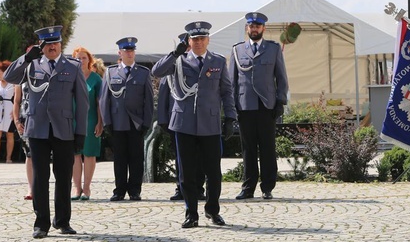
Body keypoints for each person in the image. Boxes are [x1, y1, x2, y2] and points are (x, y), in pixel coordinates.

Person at [3, 26, 88, 239]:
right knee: (40, 178)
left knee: (63, 176)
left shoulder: (73, 66)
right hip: (38, 128)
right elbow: (10, 76)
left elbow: (83, 102)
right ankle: (41, 223)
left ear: (61, 44)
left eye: (55, 43)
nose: (52, 47)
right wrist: (25, 58)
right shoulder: (31, 65)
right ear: (41, 46)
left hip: (64, 129)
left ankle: (62, 221)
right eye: (48, 44)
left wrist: (81, 132)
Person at [152, 21, 236, 228]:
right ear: (188, 41)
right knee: (186, 172)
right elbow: (156, 71)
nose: (198, 43)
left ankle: (212, 210)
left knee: (214, 172)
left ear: (208, 40)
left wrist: (231, 117)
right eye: (194, 39)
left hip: (210, 123)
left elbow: (226, 91)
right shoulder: (178, 61)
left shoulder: (217, 60)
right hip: (184, 123)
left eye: (201, 39)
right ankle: (191, 213)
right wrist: (174, 53)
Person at [230, 12, 289, 200]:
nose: (254, 29)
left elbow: (281, 77)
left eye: (257, 26)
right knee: (248, 149)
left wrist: (280, 101)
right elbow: (232, 81)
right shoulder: (237, 50)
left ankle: (267, 187)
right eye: (251, 26)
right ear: (247, 28)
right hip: (245, 105)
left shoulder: (273, 49)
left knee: (267, 148)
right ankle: (248, 187)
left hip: (267, 105)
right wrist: (232, 108)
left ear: (263, 28)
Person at [100, 37, 154, 201]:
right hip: (118, 122)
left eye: (131, 50)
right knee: (120, 159)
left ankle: (135, 190)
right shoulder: (111, 72)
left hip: (136, 122)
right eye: (126, 51)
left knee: (136, 158)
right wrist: (107, 121)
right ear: (120, 53)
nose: (129, 53)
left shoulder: (143, 73)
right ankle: (119, 190)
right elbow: (104, 99)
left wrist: (146, 122)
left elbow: (149, 101)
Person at [71, 47, 104, 200]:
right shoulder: (70, 76)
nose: (81, 61)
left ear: (89, 60)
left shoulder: (96, 78)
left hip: (90, 120)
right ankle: (77, 188)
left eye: (84, 58)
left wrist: (100, 122)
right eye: (78, 58)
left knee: (89, 154)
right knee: (75, 154)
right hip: (72, 120)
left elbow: (100, 103)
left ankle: (87, 187)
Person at [12, 56, 33, 200]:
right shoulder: (21, 78)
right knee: (29, 154)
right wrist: (16, 120)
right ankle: (31, 188)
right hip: (25, 119)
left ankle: (43, 186)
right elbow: (17, 101)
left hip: (43, 119)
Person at [0, 60, 16, 163]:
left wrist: (15, 111)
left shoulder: (13, 84)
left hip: (10, 109)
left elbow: (17, 98)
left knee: (10, 134)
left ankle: (8, 158)